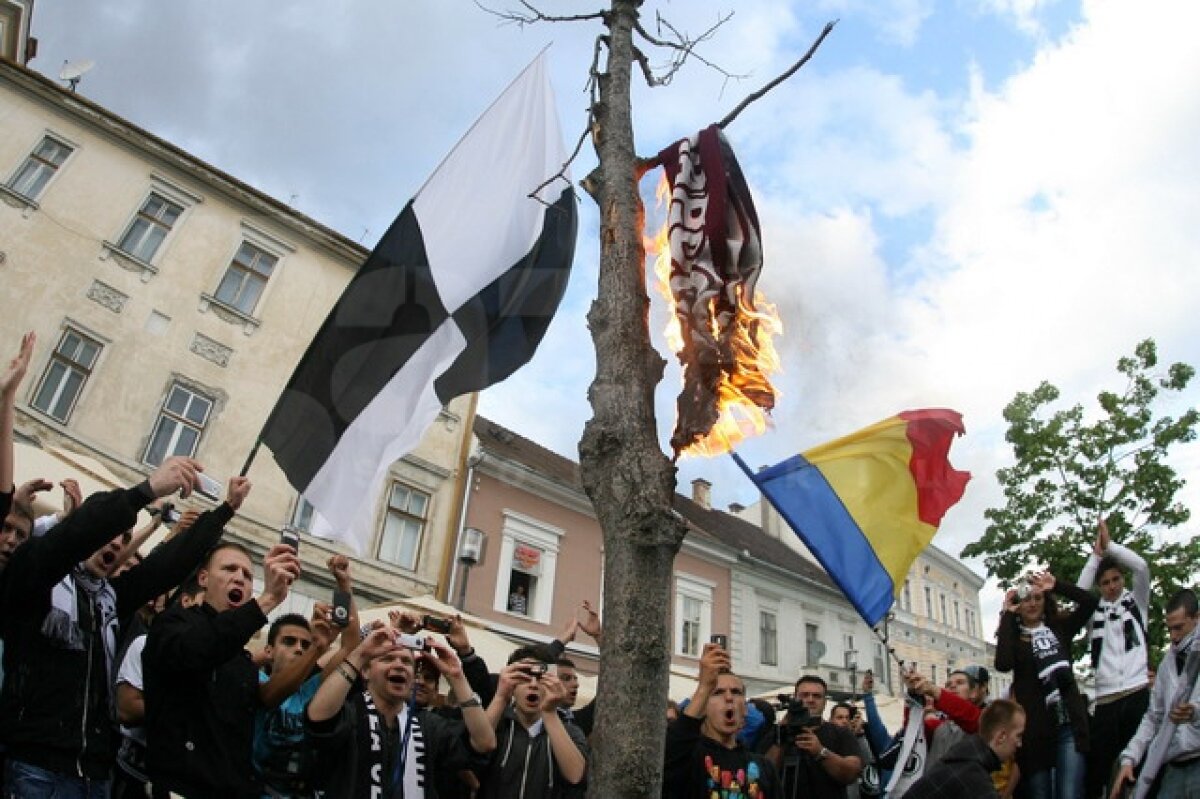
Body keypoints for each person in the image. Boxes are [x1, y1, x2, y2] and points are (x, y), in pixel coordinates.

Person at [0, 457, 228, 798]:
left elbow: (163, 570)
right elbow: (68, 540)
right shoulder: (38, 580)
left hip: (94, 772)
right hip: (36, 768)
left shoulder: (109, 599)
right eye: (109, 534)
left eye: (124, 538)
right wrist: (145, 492)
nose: (118, 544)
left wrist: (224, 512)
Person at [143, 536, 300, 798]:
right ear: (203, 579)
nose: (239, 578)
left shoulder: (242, 659)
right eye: (229, 569)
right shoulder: (174, 624)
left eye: (248, 576)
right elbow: (198, 650)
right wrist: (267, 600)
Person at [305, 625, 496, 798]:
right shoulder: (350, 713)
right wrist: (360, 654)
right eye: (388, 658)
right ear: (366, 672)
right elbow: (318, 717)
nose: (399, 665)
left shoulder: (429, 725)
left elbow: (484, 742)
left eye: (406, 661)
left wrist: (457, 677)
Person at [994, 569, 1097, 799]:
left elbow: (1090, 601)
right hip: (1035, 731)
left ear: (1045, 601)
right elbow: (1003, 664)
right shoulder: (1015, 638)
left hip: (1068, 725)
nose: (1032, 604)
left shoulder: (1059, 630)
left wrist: (1057, 585)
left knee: (1069, 793)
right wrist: (1007, 615)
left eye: (1037, 598)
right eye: (1026, 599)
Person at [1077, 518, 1152, 799]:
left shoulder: (1137, 603)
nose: (1111, 586)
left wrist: (1111, 547)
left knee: (1139, 764)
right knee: (1098, 770)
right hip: (1107, 698)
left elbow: (1142, 567)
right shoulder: (1094, 612)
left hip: (1136, 692)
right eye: (1105, 582)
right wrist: (1096, 557)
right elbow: (1079, 593)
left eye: (1116, 579)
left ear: (1122, 579)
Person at [1111, 588, 1200, 799]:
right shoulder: (1167, 664)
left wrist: (1195, 712)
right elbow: (1153, 717)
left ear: (1196, 618)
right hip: (1174, 765)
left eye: (1179, 628)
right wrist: (1129, 758)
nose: (1174, 636)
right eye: (1170, 629)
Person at [664, 641, 779, 798]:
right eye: (717, 692)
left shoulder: (764, 767)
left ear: (745, 708)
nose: (729, 697)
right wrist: (704, 687)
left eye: (736, 692)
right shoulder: (690, 758)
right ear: (704, 705)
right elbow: (672, 748)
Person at [482, 645, 589, 798]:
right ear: (512, 684)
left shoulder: (570, 732)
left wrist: (549, 712)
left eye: (540, 678)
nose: (532, 684)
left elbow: (576, 776)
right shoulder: (498, 724)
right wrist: (500, 696)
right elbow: (473, 748)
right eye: (524, 677)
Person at [762, 673, 862, 799]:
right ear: (795, 699)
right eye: (804, 695)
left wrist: (821, 752)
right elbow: (761, 776)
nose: (810, 700)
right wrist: (781, 737)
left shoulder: (841, 733)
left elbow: (852, 772)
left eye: (817, 696)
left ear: (825, 702)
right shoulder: (777, 732)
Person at [903, 699, 1026, 799]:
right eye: (1018, 736)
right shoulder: (974, 779)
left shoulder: (963, 759)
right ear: (1001, 737)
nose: (1020, 744)